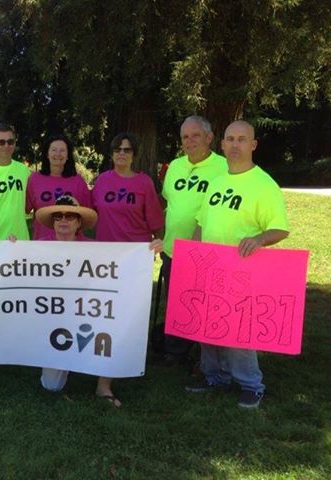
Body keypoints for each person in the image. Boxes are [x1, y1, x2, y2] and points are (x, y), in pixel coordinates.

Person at [185, 120, 289, 408]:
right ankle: (213, 376)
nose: (235, 145)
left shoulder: (264, 184)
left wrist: (259, 238)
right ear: (221, 144)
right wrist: (193, 255)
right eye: (230, 139)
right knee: (208, 324)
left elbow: (280, 228)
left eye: (242, 139)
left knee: (239, 329)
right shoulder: (218, 181)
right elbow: (201, 222)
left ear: (253, 145)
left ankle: (250, 384)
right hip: (210, 267)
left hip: (242, 270)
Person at [34, 195, 162, 407]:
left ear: (79, 223)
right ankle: (66, 361)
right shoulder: (37, 248)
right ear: (53, 222)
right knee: (51, 386)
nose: (63, 220)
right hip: (54, 319)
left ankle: (104, 385)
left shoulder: (95, 249)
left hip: (88, 314)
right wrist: (11, 248)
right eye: (58, 216)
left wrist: (147, 252)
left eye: (70, 216)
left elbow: (122, 268)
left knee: (113, 324)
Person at [158, 116, 228, 365]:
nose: (189, 141)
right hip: (172, 250)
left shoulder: (224, 167)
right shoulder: (175, 167)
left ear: (209, 138)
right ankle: (175, 353)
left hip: (208, 252)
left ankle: (206, 358)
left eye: (195, 135)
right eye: (185, 136)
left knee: (207, 305)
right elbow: (170, 202)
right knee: (177, 302)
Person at [92, 133, 164, 242]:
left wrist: (159, 242)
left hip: (135, 250)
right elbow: (90, 214)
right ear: (112, 154)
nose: (121, 153)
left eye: (127, 150)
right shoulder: (101, 181)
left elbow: (155, 221)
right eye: (117, 150)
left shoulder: (144, 183)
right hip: (106, 250)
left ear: (133, 155)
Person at [26, 134, 91, 240]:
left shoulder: (78, 181)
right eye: (54, 150)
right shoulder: (34, 179)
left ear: (68, 155)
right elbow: (24, 210)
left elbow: (85, 215)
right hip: (43, 245)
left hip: (71, 244)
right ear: (47, 154)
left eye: (62, 150)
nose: (58, 154)